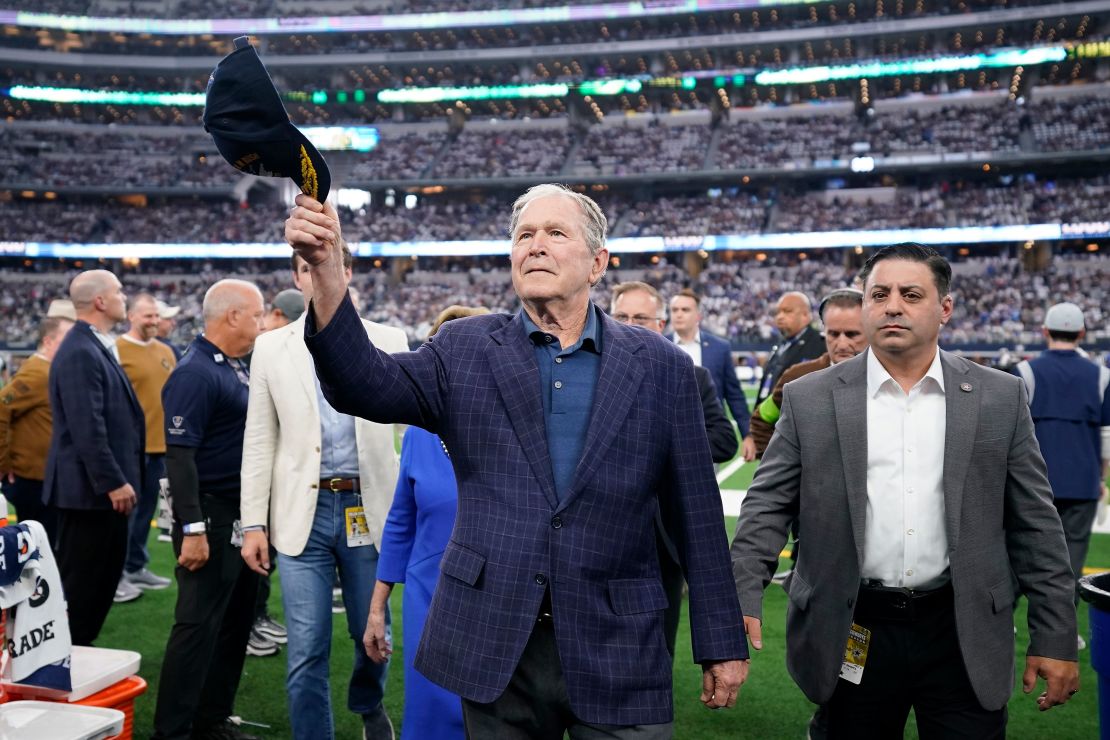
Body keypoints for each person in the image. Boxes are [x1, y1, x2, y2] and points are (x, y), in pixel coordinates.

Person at [287, 183, 747, 738]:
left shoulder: (663, 367)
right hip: (496, 638)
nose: (535, 245)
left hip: (618, 641)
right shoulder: (463, 348)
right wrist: (329, 273)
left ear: (597, 262)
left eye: (556, 233)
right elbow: (366, 384)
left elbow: (695, 511)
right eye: (524, 234)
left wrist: (720, 641)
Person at [731, 243, 1079, 738]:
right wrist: (740, 599)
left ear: (945, 308)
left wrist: (1057, 636)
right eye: (880, 293)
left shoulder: (999, 396)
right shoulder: (810, 398)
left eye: (911, 294)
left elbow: (1036, 525)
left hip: (961, 628)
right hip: (855, 623)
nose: (893, 305)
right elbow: (766, 507)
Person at [240, 248, 406, 740]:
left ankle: (368, 701)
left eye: (327, 266)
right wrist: (253, 522)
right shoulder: (271, 347)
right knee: (307, 645)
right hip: (301, 515)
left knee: (372, 634)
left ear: (347, 273)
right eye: (307, 269)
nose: (317, 276)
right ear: (298, 276)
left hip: (367, 506)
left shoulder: (389, 339)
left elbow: (407, 425)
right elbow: (259, 440)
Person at [365, 304, 491, 740]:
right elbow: (401, 519)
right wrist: (378, 606)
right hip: (427, 593)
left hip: (494, 590)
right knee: (431, 713)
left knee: (493, 713)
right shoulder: (420, 431)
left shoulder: (513, 425)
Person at [153, 279, 266, 740]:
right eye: (256, 315)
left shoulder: (233, 366)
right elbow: (178, 456)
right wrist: (193, 528)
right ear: (232, 316)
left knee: (235, 624)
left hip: (240, 516)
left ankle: (212, 719)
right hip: (211, 515)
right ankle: (173, 731)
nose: (261, 324)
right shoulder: (195, 372)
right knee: (197, 627)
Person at [611, 281, 737, 657]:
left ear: (660, 324)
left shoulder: (689, 376)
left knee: (656, 645)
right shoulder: (586, 375)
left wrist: (663, 445)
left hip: (660, 537)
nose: (630, 324)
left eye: (641, 317)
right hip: (596, 532)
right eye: (621, 316)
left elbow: (723, 440)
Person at [43, 269, 143, 646]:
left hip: (94, 494)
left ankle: (75, 661)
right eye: (118, 291)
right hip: (89, 495)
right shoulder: (80, 350)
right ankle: (63, 669)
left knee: (96, 587)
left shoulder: (92, 344)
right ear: (100, 301)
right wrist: (113, 481)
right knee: (83, 589)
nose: (124, 297)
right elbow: (88, 427)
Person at [1014, 302, 1110, 642]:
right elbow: (1106, 435)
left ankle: (1000, 620)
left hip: (1033, 481)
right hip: (1082, 478)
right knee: (1071, 557)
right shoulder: (1101, 375)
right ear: (1082, 333)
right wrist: (1099, 477)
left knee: (1016, 548)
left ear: (1044, 332)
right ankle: (1064, 633)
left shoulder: (1024, 371)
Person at [749, 288, 867, 458]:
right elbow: (761, 418)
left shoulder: (890, 374)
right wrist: (783, 468)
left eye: (852, 334)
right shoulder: (797, 376)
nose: (841, 344)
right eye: (833, 334)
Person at [116, 293, 176, 601]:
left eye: (156, 316)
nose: (153, 321)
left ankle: (136, 566)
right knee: (124, 513)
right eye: (147, 316)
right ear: (131, 316)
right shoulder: (116, 350)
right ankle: (115, 575)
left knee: (145, 513)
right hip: (130, 449)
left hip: (160, 446)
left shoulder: (166, 350)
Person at [0, 316, 74, 543]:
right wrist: (4, 463)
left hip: (45, 474)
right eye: (67, 339)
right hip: (35, 478)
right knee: (39, 546)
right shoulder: (37, 373)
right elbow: (2, 408)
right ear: (49, 341)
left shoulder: (48, 370)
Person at [667, 289, 750, 460]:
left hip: (708, 438)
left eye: (685, 310)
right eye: (674, 310)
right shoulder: (659, 344)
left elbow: (734, 394)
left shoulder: (720, 348)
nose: (679, 314)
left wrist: (747, 434)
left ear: (698, 315)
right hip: (669, 440)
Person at [752, 292, 824, 411]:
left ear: (805, 315)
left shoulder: (820, 344)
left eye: (787, 311)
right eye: (777, 312)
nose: (780, 317)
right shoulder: (780, 345)